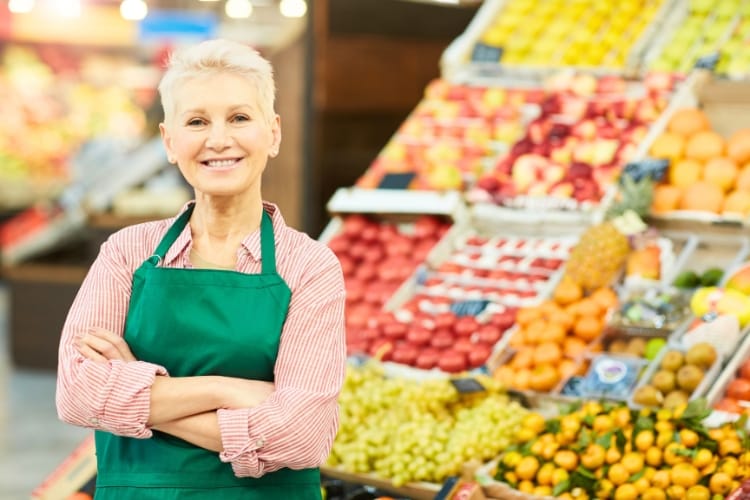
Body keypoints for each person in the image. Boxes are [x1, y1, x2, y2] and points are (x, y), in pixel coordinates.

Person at [55, 38, 346, 499]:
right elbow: (77, 394)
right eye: (196, 122)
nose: (218, 139)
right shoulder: (127, 252)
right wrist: (228, 389)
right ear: (170, 142)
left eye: (239, 118)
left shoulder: (309, 266)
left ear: (273, 133)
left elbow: (303, 435)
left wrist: (138, 392)